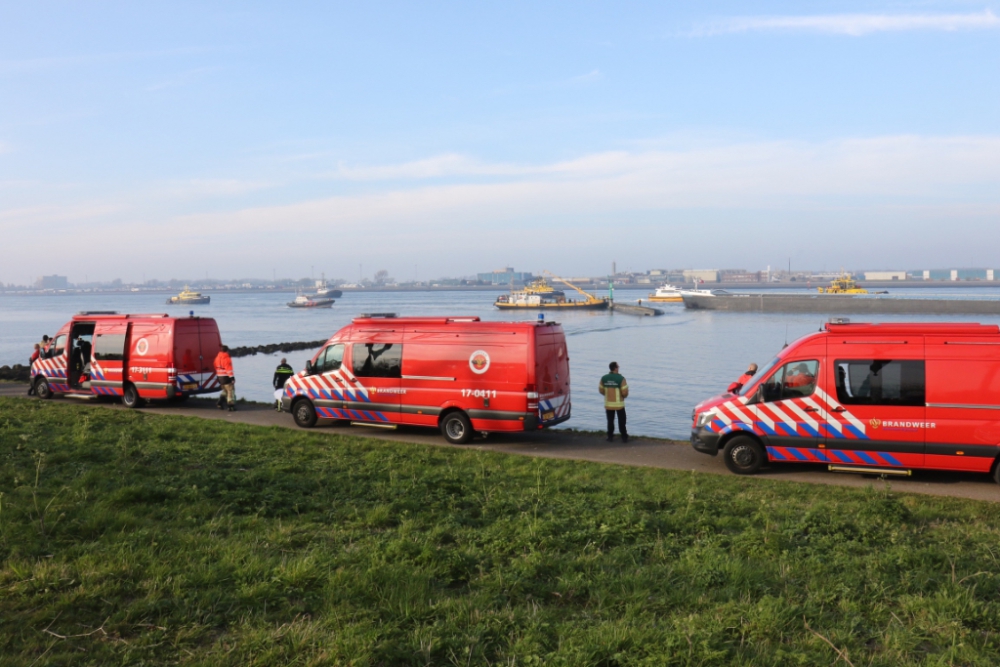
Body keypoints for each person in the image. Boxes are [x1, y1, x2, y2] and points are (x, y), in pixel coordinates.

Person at [599, 361, 629, 443]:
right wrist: (623, 397)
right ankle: (624, 437)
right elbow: (624, 392)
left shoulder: (604, 378)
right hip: (619, 404)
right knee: (622, 421)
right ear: (615, 368)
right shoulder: (621, 379)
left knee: (610, 421)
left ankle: (610, 436)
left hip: (608, 404)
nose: (619, 368)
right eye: (618, 366)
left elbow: (601, 390)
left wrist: (608, 395)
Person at [214, 345, 236, 411]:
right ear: (227, 350)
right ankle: (230, 406)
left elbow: (215, 366)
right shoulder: (227, 358)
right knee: (230, 391)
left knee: (225, 390)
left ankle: (219, 403)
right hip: (226, 377)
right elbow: (228, 369)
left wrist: (218, 376)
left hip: (220, 377)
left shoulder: (217, 358)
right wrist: (232, 378)